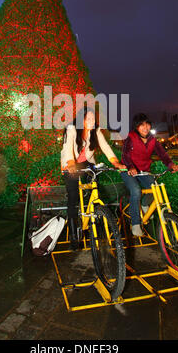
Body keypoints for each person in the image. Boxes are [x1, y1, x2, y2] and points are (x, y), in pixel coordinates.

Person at [61, 106, 124, 249]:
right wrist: (70, 164)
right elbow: (67, 149)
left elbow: (106, 147)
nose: (91, 120)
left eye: (93, 118)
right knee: (73, 196)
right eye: (87, 118)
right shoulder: (71, 129)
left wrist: (115, 162)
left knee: (94, 187)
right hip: (70, 164)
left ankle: (94, 212)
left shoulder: (96, 131)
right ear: (80, 120)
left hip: (87, 163)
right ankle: (73, 235)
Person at [120, 113, 178, 237]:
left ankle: (145, 204)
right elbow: (125, 155)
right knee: (136, 191)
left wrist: (170, 164)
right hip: (128, 170)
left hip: (143, 171)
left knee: (155, 188)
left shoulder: (152, 139)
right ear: (136, 127)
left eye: (147, 124)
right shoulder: (130, 138)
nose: (145, 127)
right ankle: (135, 224)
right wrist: (130, 167)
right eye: (142, 125)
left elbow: (162, 154)